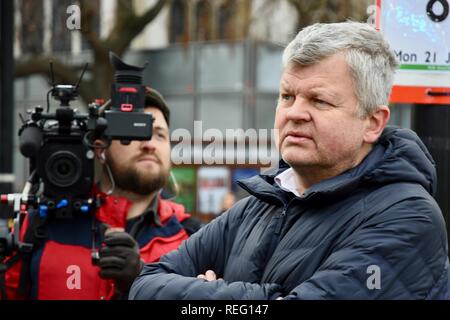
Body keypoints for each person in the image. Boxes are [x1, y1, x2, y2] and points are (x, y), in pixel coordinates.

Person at [129, 22, 450, 300]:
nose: (295, 113)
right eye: (286, 96)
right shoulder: (258, 205)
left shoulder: (407, 216)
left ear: (373, 123)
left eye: (319, 100)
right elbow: (144, 286)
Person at [2, 87, 201, 299]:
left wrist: (143, 284)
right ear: (99, 148)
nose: (149, 144)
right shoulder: (38, 225)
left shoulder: (194, 238)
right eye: (134, 131)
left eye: (159, 134)